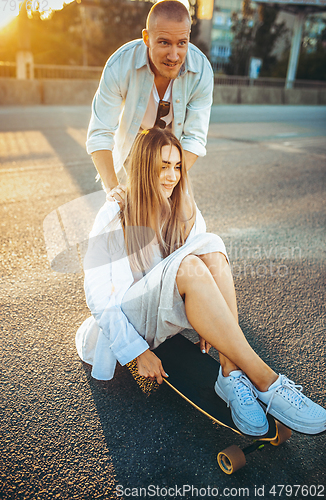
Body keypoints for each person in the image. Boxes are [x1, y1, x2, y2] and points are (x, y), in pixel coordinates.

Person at [76, 128, 326, 437]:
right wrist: (137, 352)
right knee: (191, 261)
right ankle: (267, 381)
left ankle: (230, 372)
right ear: (143, 167)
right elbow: (98, 296)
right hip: (132, 319)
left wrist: (212, 322)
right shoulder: (115, 213)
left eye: (177, 166)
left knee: (211, 247)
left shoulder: (182, 208)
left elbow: (208, 265)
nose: (172, 176)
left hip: (163, 314)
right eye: (162, 166)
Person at [86, 0, 213, 201]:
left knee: (177, 213)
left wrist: (170, 178)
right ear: (147, 38)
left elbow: (194, 138)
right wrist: (113, 188)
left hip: (174, 150)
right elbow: (100, 132)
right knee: (132, 207)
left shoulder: (201, 70)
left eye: (182, 43)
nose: (174, 55)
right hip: (135, 146)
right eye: (164, 42)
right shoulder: (119, 65)